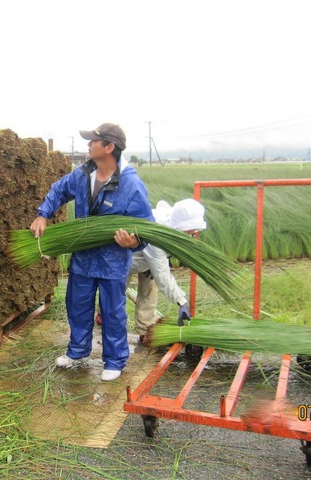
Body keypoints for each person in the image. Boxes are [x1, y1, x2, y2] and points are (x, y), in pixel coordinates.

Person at [30, 123, 154, 381]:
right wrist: (43, 214)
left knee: (111, 311)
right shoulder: (83, 174)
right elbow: (59, 190)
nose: (88, 145)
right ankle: (77, 350)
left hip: (112, 260)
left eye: (93, 141)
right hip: (84, 257)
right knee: (77, 304)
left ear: (109, 147)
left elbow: (146, 225)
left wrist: (134, 243)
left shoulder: (130, 184)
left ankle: (115, 360)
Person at [129, 198, 207, 343]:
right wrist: (181, 301)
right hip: (128, 258)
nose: (193, 232)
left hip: (150, 260)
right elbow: (163, 276)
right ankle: (106, 320)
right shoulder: (158, 232)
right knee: (115, 292)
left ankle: (144, 331)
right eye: (190, 229)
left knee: (149, 292)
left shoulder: (176, 224)